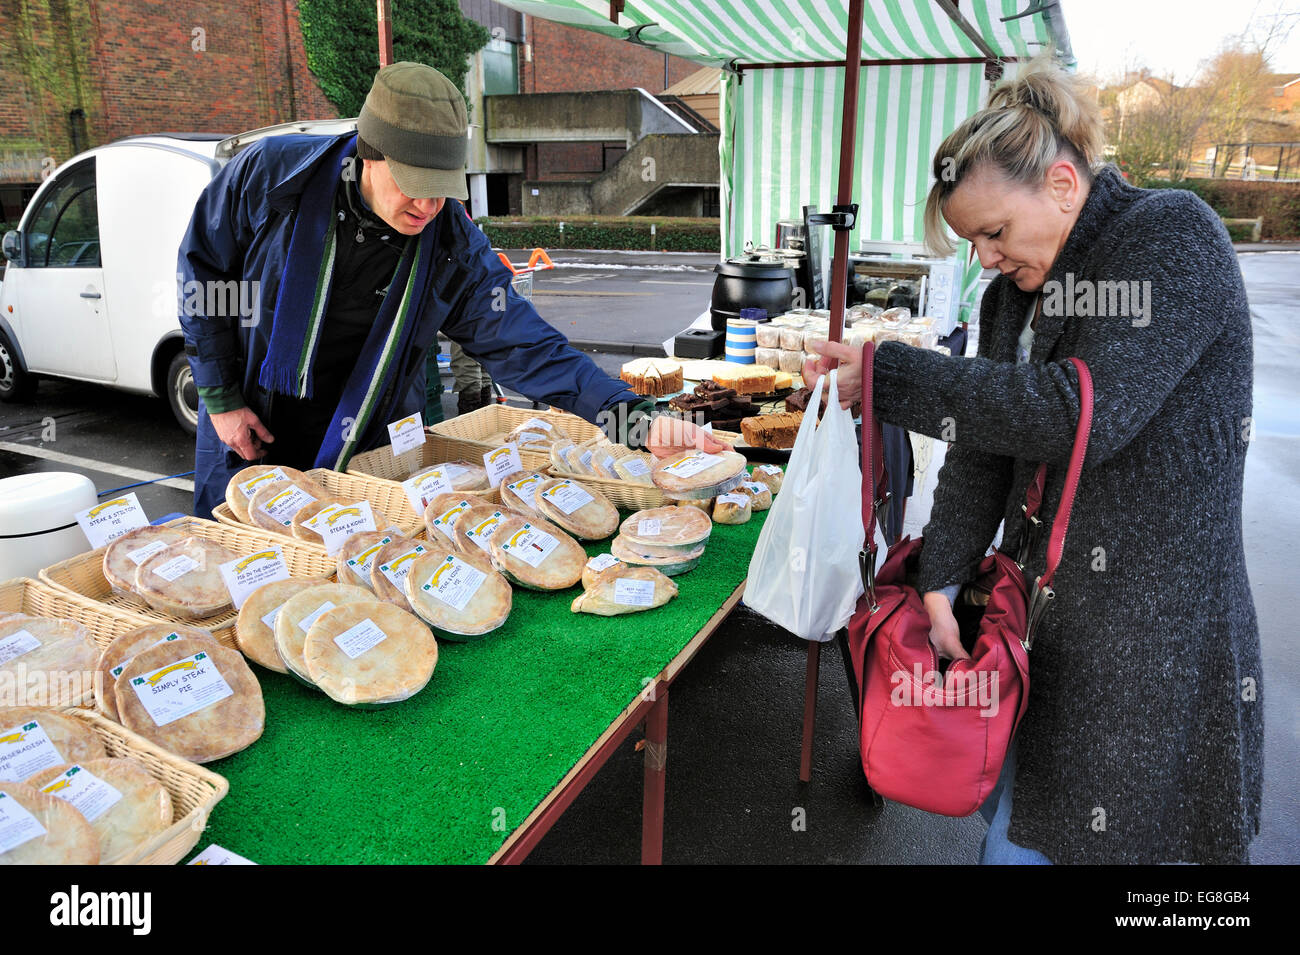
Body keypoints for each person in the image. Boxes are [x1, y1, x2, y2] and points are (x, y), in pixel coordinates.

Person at [804, 55, 1262, 864]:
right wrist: (941, 578)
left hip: (1153, 639)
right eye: (974, 239)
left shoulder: (1172, 236)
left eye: (993, 231)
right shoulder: (1010, 295)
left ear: (1059, 184)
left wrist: (889, 371)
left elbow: (1077, 413)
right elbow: (985, 446)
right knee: (1028, 833)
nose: (984, 257)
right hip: (1038, 628)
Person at [179, 62, 719, 517]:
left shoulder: (450, 244)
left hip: (363, 428)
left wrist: (636, 419)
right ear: (370, 153)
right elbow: (206, 276)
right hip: (251, 413)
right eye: (414, 187)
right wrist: (221, 396)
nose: (428, 207)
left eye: (443, 190)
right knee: (233, 573)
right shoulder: (270, 176)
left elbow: (527, 346)